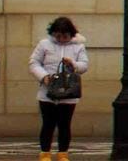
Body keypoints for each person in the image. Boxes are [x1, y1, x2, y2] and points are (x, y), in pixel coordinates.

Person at [27, 18, 89, 161]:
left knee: (64, 124)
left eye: (65, 36)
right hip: (47, 92)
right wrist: (44, 77)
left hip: (69, 92)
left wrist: (73, 64)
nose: (61, 39)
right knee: (48, 123)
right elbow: (34, 63)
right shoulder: (44, 44)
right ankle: (45, 153)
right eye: (58, 36)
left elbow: (84, 65)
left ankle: (63, 153)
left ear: (71, 34)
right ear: (53, 33)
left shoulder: (78, 46)